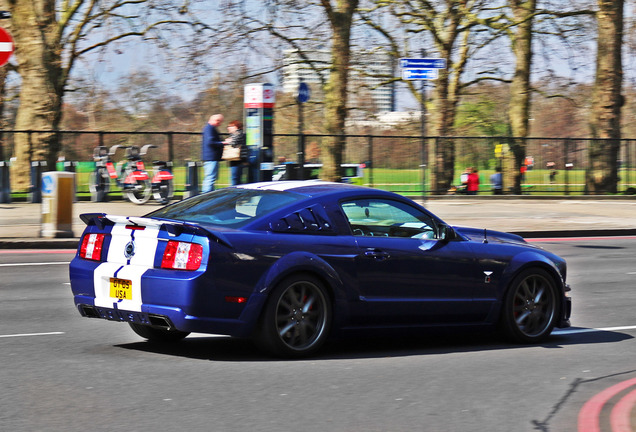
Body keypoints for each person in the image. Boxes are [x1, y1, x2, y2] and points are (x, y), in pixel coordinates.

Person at [201, 114, 224, 192]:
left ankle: (209, 195)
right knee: (210, 178)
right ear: (215, 120)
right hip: (211, 157)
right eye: (219, 121)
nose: (219, 124)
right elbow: (210, 142)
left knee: (211, 178)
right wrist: (222, 143)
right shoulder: (209, 129)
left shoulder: (210, 128)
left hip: (211, 157)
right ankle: (206, 196)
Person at [223, 120, 247, 186]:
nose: (228, 128)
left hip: (237, 160)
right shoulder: (236, 134)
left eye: (230, 126)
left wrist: (227, 141)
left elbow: (233, 143)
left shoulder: (238, 133)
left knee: (235, 178)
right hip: (236, 159)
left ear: (236, 127)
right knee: (236, 178)